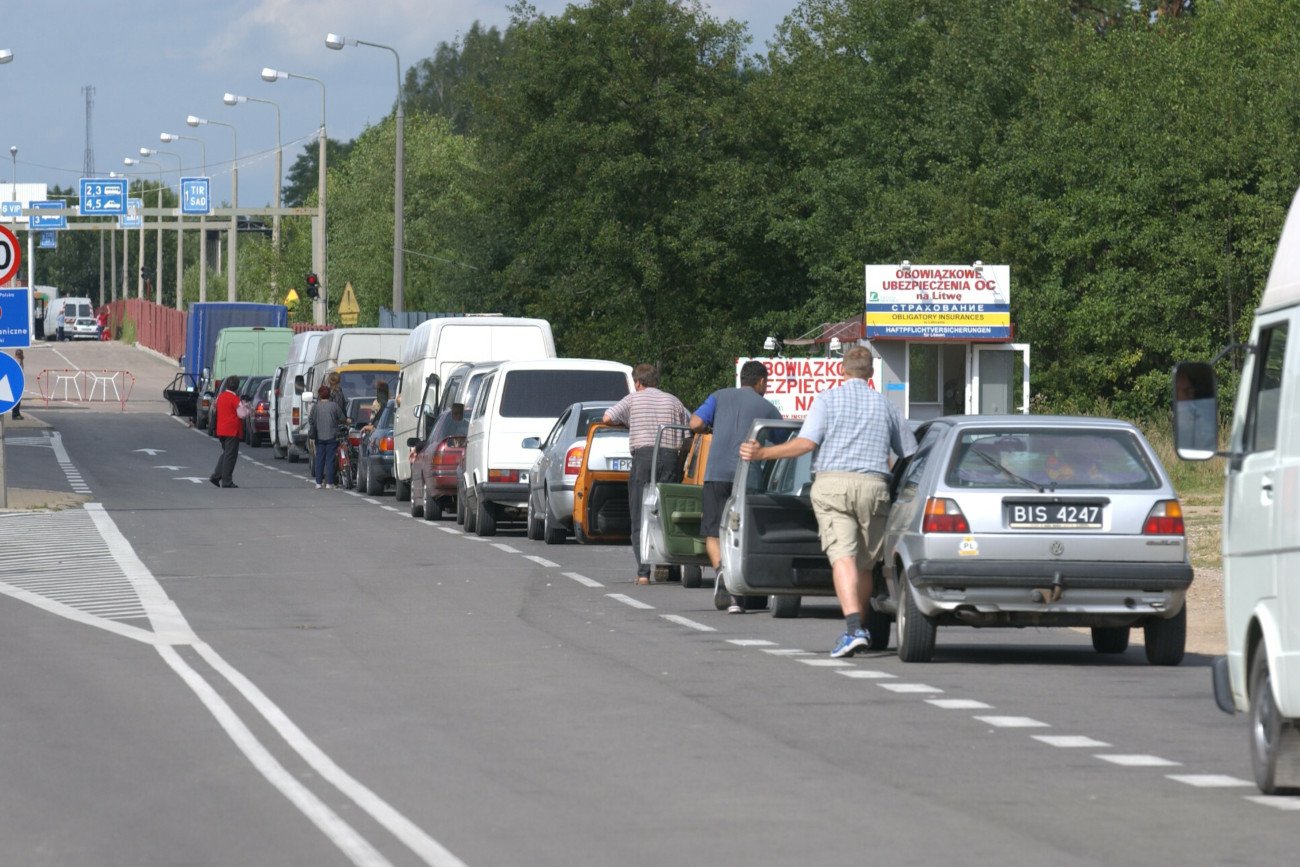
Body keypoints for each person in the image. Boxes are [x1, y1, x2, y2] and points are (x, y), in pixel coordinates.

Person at [740, 347, 916, 657]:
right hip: (875, 487)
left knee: (842, 556)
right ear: (871, 374)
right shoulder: (886, 406)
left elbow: (807, 443)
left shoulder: (827, 400)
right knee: (864, 564)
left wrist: (763, 454)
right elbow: (909, 453)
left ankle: (852, 630)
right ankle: (858, 628)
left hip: (833, 485)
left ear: (842, 371)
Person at [690, 360, 782, 613]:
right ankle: (738, 587)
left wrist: (713, 427)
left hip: (716, 474)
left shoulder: (718, 397)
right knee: (744, 533)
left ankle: (722, 574)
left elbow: (695, 423)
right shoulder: (769, 409)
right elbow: (783, 447)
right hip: (748, 480)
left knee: (712, 533)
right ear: (761, 381)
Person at [603, 363, 689, 585]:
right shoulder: (673, 400)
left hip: (644, 457)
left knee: (640, 512)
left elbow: (607, 417)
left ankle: (643, 573)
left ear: (638, 382)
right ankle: (666, 561)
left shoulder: (633, 399)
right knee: (664, 511)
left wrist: (629, 422)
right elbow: (691, 425)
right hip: (670, 457)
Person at [209, 376, 243, 488]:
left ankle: (216, 476)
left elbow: (215, 408)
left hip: (221, 430)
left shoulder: (220, 397)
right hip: (232, 430)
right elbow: (242, 414)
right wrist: (247, 407)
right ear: (237, 387)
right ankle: (226, 480)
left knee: (226, 454)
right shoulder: (235, 399)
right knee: (230, 456)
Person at [312, 384, 346, 489]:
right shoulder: (334, 405)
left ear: (320, 395)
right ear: (329, 395)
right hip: (332, 436)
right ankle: (329, 483)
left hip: (319, 436)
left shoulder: (316, 406)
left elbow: (311, 420)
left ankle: (318, 482)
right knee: (330, 460)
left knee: (319, 459)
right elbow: (342, 418)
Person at [10, 348, 23, 420]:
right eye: (19, 354)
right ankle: (15, 414)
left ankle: (17, 413)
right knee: (17, 399)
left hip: (18, 383)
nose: (20, 355)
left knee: (19, 399)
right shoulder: (16, 361)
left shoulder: (20, 361)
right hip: (15, 383)